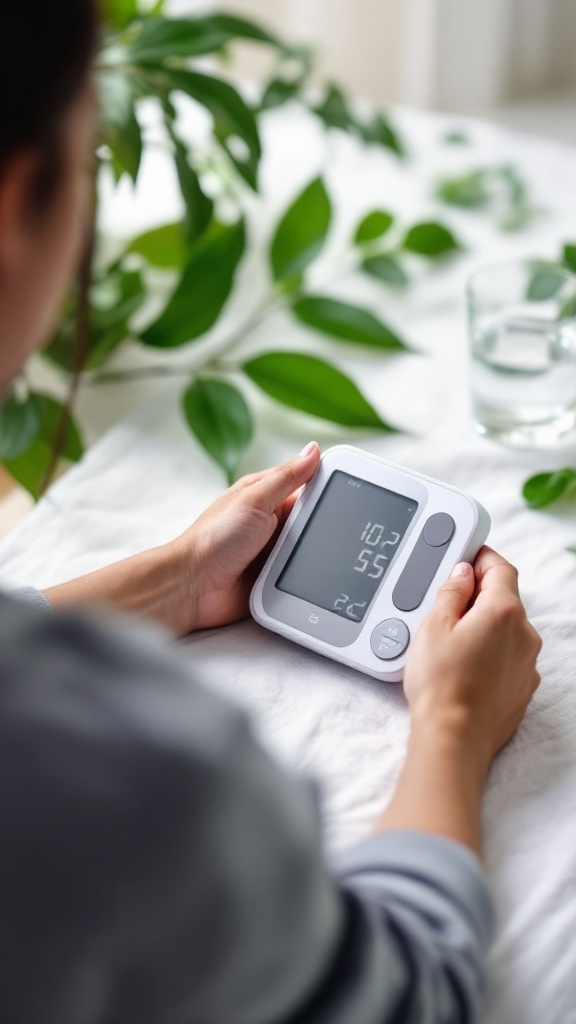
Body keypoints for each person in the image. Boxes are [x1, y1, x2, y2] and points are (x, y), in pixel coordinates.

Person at [0, 2, 542, 1022]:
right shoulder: (125, 765)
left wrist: (176, 575)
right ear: (16, 202)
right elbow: (397, 989)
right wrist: (456, 723)